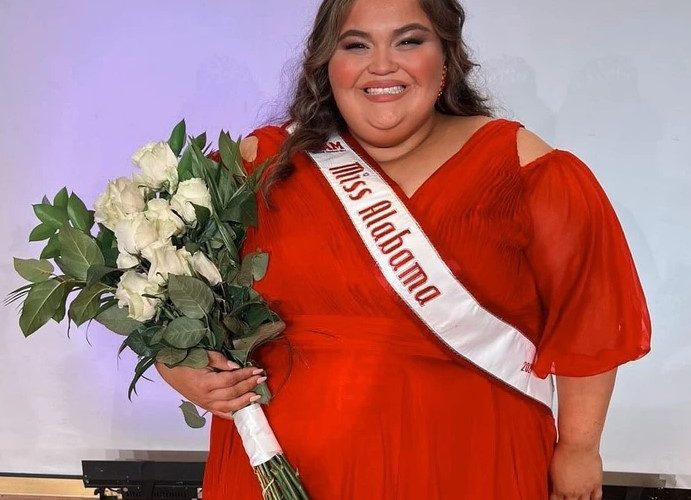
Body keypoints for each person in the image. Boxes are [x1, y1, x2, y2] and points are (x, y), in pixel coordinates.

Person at [156, 0, 651, 498]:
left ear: (446, 59)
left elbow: (588, 311)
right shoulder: (258, 165)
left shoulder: (523, 168)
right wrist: (178, 366)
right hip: (280, 468)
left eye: (409, 41)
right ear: (327, 64)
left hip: (470, 467)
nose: (382, 65)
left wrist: (579, 448)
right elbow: (155, 281)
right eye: (356, 45)